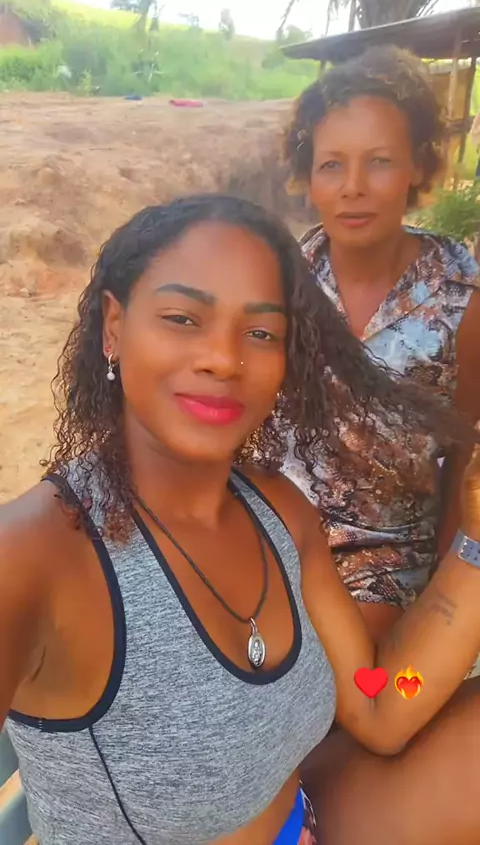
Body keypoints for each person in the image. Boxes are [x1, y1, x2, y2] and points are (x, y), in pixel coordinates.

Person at [1, 193, 480, 845]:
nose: (225, 359)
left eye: (260, 333)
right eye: (182, 318)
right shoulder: (32, 555)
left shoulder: (280, 511)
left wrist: (474, 541)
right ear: (113, 326)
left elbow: (381, 697)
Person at [282, 45, 480, 644]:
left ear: (417, 166)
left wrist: (446, 592)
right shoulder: (282, 280)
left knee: (358, 679)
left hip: (387, 560)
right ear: (309, 177)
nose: (354, 188)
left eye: (380, 162)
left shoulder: (461, 299)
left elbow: (462, 454)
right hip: (275, 535)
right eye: (331, 165)